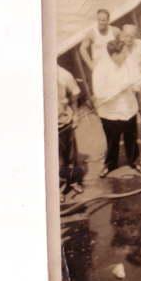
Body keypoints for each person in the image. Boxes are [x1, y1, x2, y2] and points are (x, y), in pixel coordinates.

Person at [92, 39, 141, 178]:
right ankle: (110, 164)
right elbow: (99, 93)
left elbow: (138, 80)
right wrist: (120, 89)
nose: (126, 55)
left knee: (131, 138)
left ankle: (134, 161)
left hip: (129, 109)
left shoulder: (129, 62)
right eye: (123, 53)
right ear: (114, 55)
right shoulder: (100, 69)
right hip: (110, 113)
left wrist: (135, 85)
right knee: (112, 140)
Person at [58, 65, 85, 200]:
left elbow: (74, 95)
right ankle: (60, 189)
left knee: (71, 156)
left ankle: (74, 181)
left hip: (65, 123)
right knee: (56, 160)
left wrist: (75, 115)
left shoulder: (64, 74)